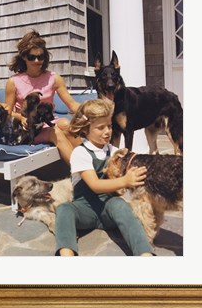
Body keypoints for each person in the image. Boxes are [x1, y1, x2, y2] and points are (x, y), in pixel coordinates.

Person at [55, 98, 155, 256]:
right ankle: (67, 253)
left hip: (109, 207)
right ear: (86, 129)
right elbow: (94, 184)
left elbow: (131, 161)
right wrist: (124, 180)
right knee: (64, 209)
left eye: (109, 126)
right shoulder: (80, 153)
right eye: (100, 128)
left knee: (121, 206)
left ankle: (144, 253)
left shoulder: (113, 150)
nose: (107, 131)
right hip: (84, 209)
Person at [5, 30, 81, 164]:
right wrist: (21, 118)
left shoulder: (54, 78)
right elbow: (7, 112)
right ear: (23, 57)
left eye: (40, 57)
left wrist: (93, 112)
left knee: (66, 124)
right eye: (31, 57)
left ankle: (90, 164)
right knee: (55, 132)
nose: (37, 61)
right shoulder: (13, 82)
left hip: (49, 122)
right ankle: (82, 173)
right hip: (29, 129)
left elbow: (72, 105)